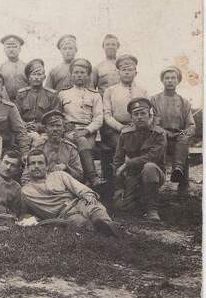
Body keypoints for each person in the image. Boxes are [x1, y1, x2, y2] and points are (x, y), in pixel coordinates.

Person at [21, 149, 119, 237]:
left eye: (40, 163)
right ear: (28, 168)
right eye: (33, 163)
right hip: (64, 214)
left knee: (94, 207)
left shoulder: (59, 175)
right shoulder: (26, 191)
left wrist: (88, 195)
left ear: (46, 166)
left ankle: (107, 225)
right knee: (80, 222)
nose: (36, 166)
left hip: (79, 202)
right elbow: (23, 212)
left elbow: (79, 188)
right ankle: (102, 230)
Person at [113, 98, 167, 221]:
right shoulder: (125, 134)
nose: (139, 117)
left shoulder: (159, 134)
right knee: (122, 207)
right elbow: (117, 161)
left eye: (143, 113)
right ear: (131, 118)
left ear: (150, 115)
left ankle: (151, 209)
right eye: (136, 114)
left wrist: (128, 164)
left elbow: (153, 157)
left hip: (154, 174)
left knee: (149, 167)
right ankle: (138, 198)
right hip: (133, 175)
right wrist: (119, 188)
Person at [101, 55, 148, 183]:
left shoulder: (143, 91)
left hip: (138, 128)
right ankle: (118, 182)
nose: (127, 72)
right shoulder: (110, 91)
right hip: (116, 129)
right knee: (122, 146)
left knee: (145, 146)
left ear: (135, 72)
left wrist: (139, 125)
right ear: (118, 72)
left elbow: (149, 113)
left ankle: (140, 180)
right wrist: (121, 127)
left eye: (130, 69)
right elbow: (107, 115)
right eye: (123, 69)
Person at [58, 58, 104, 187]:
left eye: (83, 73)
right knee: (81, 141)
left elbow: (98, 118)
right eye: (76, 72)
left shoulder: (95, 95)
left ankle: (86, 180)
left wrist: (87, 130)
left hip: (88, 131)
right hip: (69, 131)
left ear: (88, 75)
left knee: (83, 141)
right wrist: (65, 128)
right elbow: (58, 116)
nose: (79, 75)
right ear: (71, 75)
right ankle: (92, 177)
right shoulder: (63, 94)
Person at [150, 66, 196, 195]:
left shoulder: (184, 102)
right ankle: (155, 183)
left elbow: (191, 125)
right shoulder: (154, 100)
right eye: (167, 78)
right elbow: (153, 123)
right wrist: (165, 132)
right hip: (160, 135)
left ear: (178, 81)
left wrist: (184, 133)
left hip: (178, 137)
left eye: (173, 78)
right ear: (162, 80)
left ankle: (179, 172)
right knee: (162, 140)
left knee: (183, 140)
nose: (170, 81)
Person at [14, 59, 61, 148]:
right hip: (25, 131)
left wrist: (39, 126)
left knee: (42, 141)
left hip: (46, 132)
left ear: (44, 77)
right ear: (28, 77)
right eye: (33, 74)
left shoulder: (51, 95)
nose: (36, 77)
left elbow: (55, 118)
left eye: (39, 74)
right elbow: (16, 117)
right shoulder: (21, 94)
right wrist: (25, 125)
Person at [0, 71, 29, 156]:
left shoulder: (10, 108)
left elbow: (21, 132)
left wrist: (25, 153)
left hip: (5, 151)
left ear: (2, 88)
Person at [27, 110, 83, 181]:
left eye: (58, 126)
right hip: (43, 185)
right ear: (45, 129)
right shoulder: (38, 148)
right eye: (51, 126)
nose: (55, 129)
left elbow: (80, 176)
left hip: (65, 185)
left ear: (64, 128)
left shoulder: (70, 148)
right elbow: (26, 176)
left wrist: (67, 168)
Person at [0, 34, 28, 100]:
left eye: (14, 47)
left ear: (20, 49)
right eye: (8, 47)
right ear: (4, 49)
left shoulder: (27, 67)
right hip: (5, 102)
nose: (11, 49)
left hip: (24, 102)